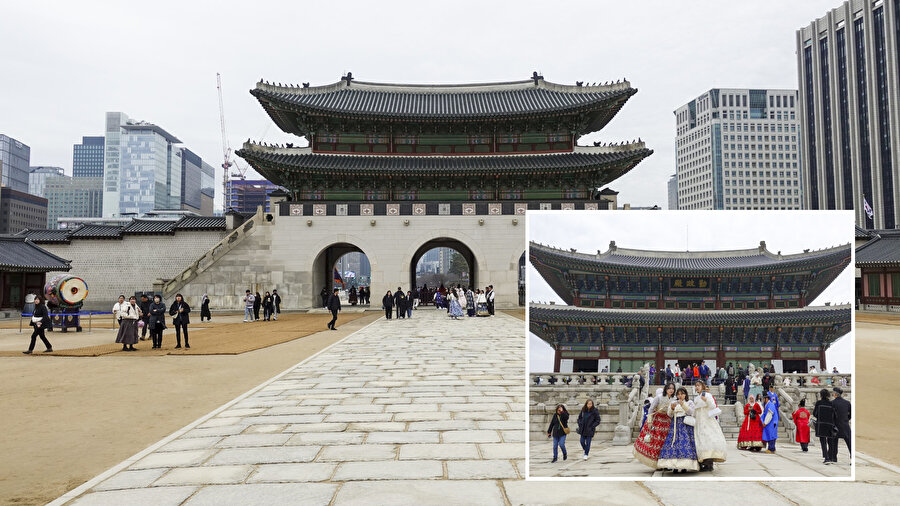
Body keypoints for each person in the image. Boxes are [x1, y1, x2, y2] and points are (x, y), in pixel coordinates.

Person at [657, 386, 699, 473]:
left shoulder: (689, 402)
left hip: (685, 425)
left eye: (682, 394)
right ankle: (674, 466)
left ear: (685, 394)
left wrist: (683, 405)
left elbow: (691, 412)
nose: (680, 396)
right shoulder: (673, 402)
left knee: (685, 443)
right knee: (674, 444)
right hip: (675, 425)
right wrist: (672, 408)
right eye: (678, 394)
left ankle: (684, 466)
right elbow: (669, 414)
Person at [633, 383, 675, 469]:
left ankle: (665, 461)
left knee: (666, 441)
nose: (671, 390)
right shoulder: (659, 397)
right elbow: (651, 409)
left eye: (673, 389)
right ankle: (655, 462)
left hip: (667, 421)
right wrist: (649, 422)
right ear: (665, 389)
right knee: (655, 440)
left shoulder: (674, 399)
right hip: (657, 421)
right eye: (669, 388)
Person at [692, 381, 727, 471]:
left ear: (703, 386)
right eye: (696, 386)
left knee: (709, 439)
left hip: (707, 420)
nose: (697, 387)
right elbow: (695, 411)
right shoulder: (696, 398)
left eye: (698, 385)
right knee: (701, 440)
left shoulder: (707, 395)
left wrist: (705, 400)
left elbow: (713, 405)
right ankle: (703, 462)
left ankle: (709, 463)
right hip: (699, 420)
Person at [813, 388, 837, 464]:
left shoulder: (818, 403)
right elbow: (835, 415)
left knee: (823, 441)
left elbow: (814, 413)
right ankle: (831, 457)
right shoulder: (831, 403)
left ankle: (826, 457)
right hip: (830, 424)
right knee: (830, 441)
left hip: (821, 424)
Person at [832, 387, 851, 459]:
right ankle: (852, 457)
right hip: (845, 424)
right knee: (849, 441)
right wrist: (846, 419)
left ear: (835, 394)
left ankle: (834, 457)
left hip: (835, 424)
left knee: (834, 442)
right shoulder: (847, 403)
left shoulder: (832, 403)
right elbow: (851, 414)